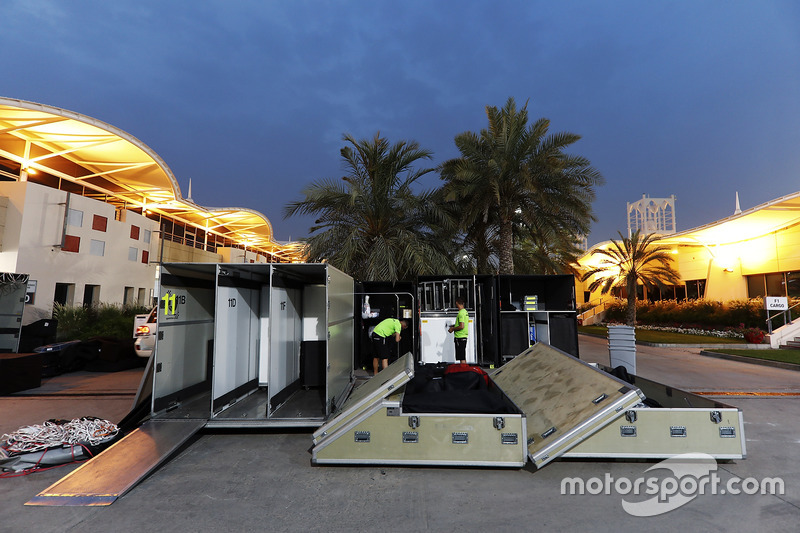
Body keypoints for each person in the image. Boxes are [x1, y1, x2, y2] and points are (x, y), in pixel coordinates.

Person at [448, 297, 468, 363]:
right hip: (463, 337)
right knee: (463, 356)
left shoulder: (461, 313)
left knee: (461, 357)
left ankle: (463, 371)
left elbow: (461, 326)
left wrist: (453, 329)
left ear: (457, 303)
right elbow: (462, 324)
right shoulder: (465, 312)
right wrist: (454, 326)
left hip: (460, 337)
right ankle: (465, 370)